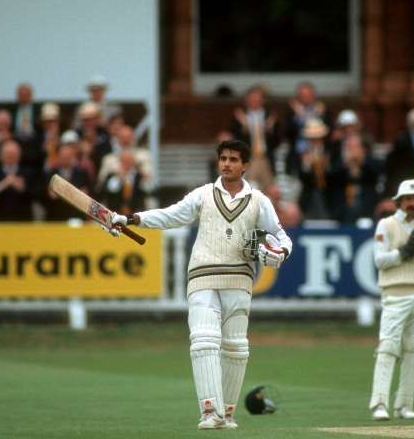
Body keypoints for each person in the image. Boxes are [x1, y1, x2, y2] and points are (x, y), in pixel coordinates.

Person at [105, 140, 292, 430]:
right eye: (223, 158)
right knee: (204, 341)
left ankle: (227, 415)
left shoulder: (259, 200)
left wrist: (275, 254)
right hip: (203, 275)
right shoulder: (203, 195)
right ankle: (209, 412)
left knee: (236, 348)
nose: (227, 163)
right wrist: (130, 219)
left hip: (239, 279)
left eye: (233, 159)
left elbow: (282, 240)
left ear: (245, 165)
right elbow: (170, 214)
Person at [369, 179, 414, 421]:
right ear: (399, 202)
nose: (412, 204)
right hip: (395, 293)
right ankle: (379, 404)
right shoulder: (386, 225)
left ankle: (405, 405)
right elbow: (379, 261)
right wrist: (405, 251)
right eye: (408, 199)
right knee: (388, 347)